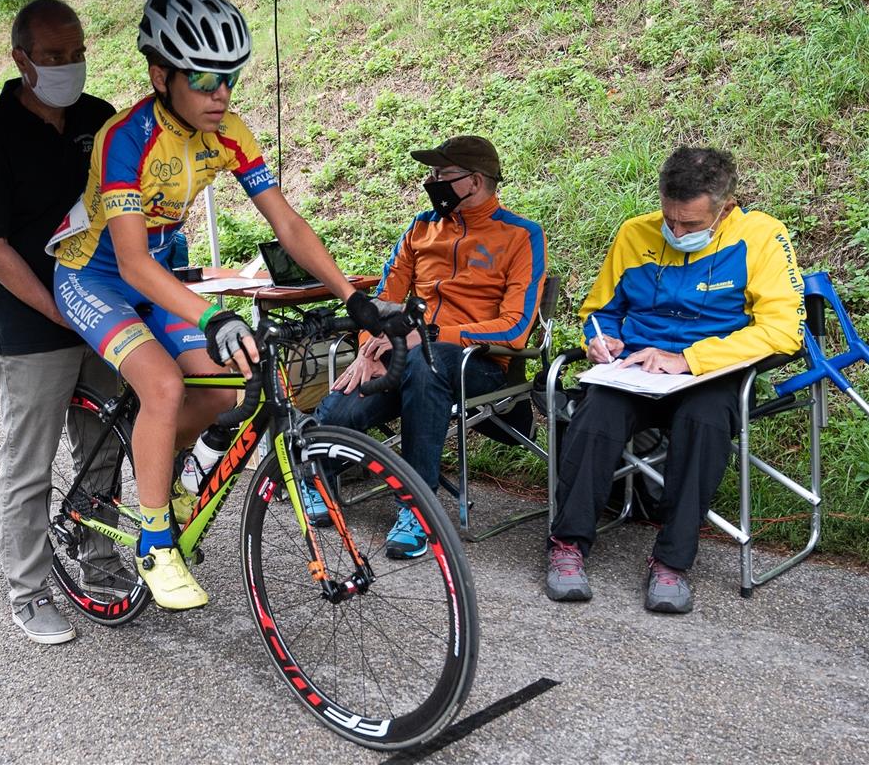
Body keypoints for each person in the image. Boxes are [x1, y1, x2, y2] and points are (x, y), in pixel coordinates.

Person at [49, 0, 396, 613]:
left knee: (232, 385)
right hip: (94, 274)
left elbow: (286, 223)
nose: (221, 94)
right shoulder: (124, 138)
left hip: (157, 271)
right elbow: (127, 261)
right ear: (161, 75)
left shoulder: (228, 131)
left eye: (230, 78)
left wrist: (354, 296)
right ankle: (155, 544)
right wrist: (211, 313)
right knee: (163, 386)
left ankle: (160, 463)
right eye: (206, 78)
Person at [545, 146, 805, 614]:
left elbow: (783, 332)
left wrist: (688, 358)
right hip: (634, 371)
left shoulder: (762, 236)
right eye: (670, 219)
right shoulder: (634, 233)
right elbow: (600, 310)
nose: (676, 231)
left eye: (690, 224)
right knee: (594, 416)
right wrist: (600, 340)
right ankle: (567, 546)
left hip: (710, 373)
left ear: (725, 208)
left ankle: (671, 562)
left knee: (704, 423)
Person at [0, 0, 120, 645]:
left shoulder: (99, 118)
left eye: (76, 52)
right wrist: (60, 311)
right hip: (34, 324)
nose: (67, 66)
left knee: (104, 446)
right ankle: (27, 592)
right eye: (52, 57)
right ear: (19, 58)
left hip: (104, 311)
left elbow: (120, 208)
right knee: (28, 464)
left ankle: (98, 559)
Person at [308, 135, 547, 558]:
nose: (430, 181)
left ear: (473, 181)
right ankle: (317, 474)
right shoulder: (420, 228)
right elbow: (381, 302)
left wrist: (428, 336)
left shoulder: (521, 236)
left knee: (427, 360)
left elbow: (515, 330)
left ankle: (418, 507)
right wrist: (369, 349)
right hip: (405, 357)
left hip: (479, 364)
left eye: (440, 175)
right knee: (347, 403)